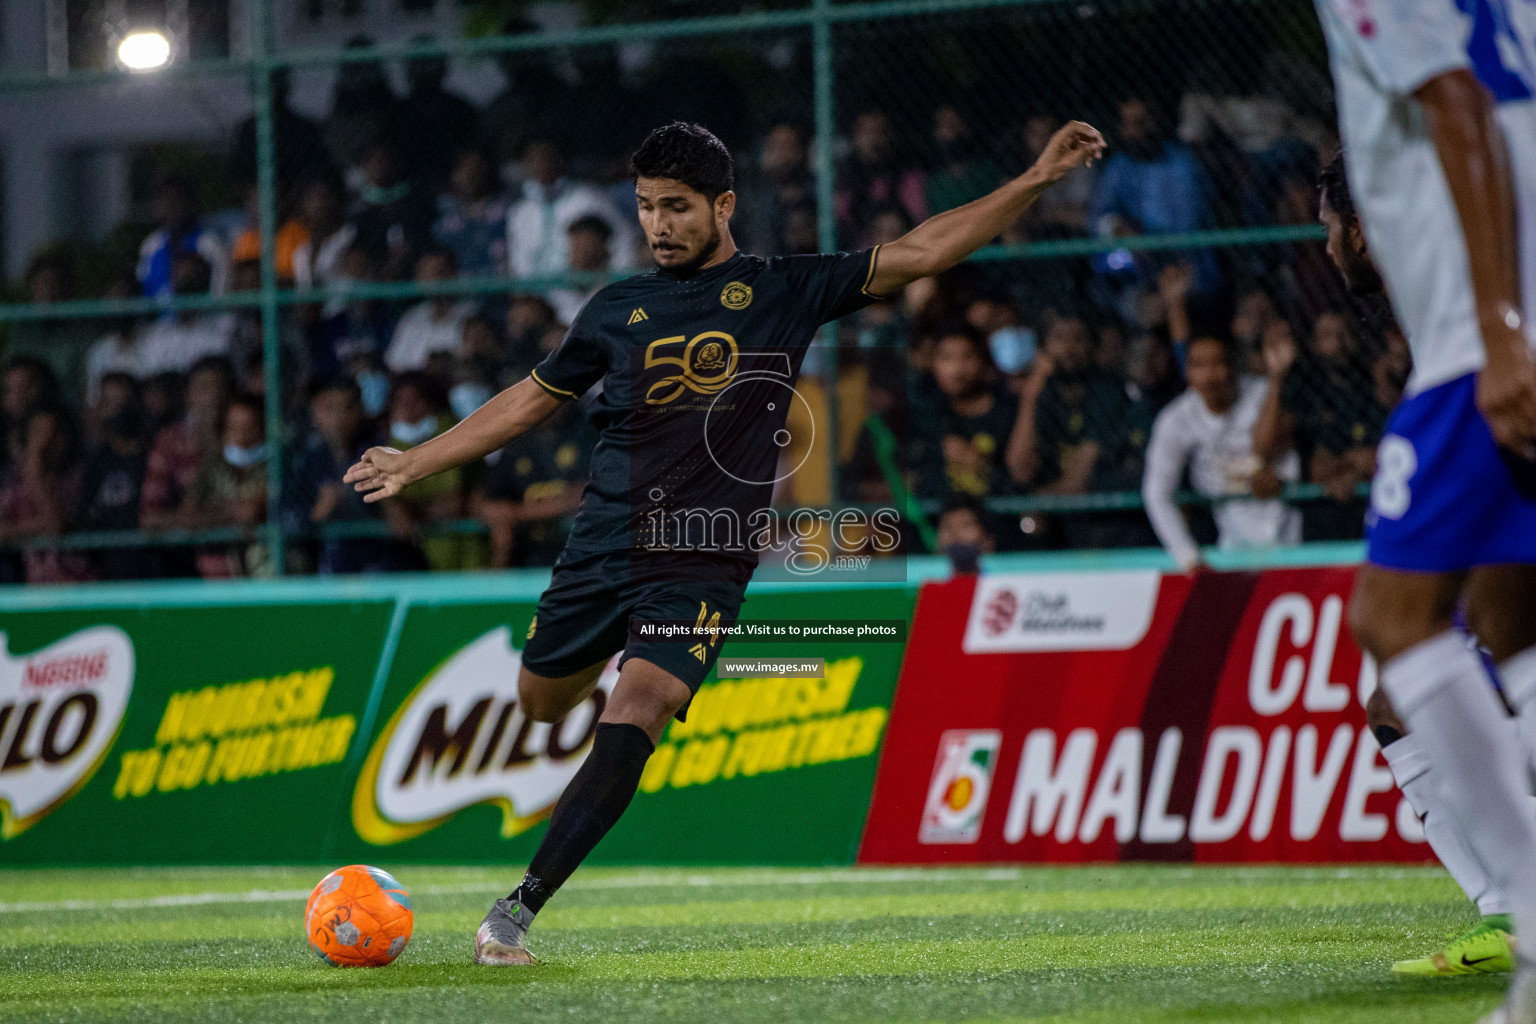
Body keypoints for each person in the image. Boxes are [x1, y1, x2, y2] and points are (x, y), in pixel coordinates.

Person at [344, 117, 1105, 965]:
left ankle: (515, 910)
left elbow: (924, 250)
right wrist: (417, 462)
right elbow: (528, 401)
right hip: (601, 546)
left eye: (676, 206)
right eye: (645, 208)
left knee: (643, 704)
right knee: (539, 703)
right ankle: (596, 667)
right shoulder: (617, 308)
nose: (659, 224)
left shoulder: (784, 287)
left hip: (702, 556)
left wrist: (1035, 179)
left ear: (724, 204)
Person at [1314, 3, 1536, 1012]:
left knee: (1394, 630)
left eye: (1327, 224)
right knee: (1511, 624)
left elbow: (1456, 103)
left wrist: (1498, 326)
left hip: (1480, 349)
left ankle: (1523, 904)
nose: (1326, 246)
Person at [1141, 332, 1300, 571]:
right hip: (1233, 546)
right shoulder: (1176, 419)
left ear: (1234, 365)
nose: (1209, 376)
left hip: (1295, 535)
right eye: (1199, 365)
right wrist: (1188, 557)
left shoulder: (1265, 394)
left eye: (1218, 363)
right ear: (1187, 372)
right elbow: (1156, 492)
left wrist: (1276, 379)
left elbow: (1266, 449)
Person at [505, 139, 635, 280]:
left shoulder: (588, 198)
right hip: (539, 295)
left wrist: (613, 282)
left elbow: (625, 240)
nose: (541, 165)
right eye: (533, 160)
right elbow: (519, 264)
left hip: (587, 289)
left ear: (560, 160)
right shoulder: (520, 212)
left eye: (546, 158)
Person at [136, 253, 238, 376]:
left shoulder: (224, 327)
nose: (184, 285)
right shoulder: (158, 334)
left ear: (205, 283)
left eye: (191, 278)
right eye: (179, 280)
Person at [384, 248, 479, 372]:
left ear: (453, 273)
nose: (431, 281)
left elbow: (466, 363)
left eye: (437, 273)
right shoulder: (412, 316)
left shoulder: (470, 315)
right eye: (425, 274)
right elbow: (394, 363)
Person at [137, 175, 228, 301]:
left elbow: (220, 295)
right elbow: (145, 293)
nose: (171, 208)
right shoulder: (151, 245)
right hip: (162, 319)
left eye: (177, 200)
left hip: (203, 318)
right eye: (165, 201)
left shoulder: (210, 244)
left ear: (191, 203)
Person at [433, 148, 511, 278]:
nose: (470, 175)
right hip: (460, 291)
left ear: (486, 171)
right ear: (454, 175)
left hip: (500, 287)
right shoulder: (445, 222)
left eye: (476, 168)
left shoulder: (507, 211)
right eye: (464, 169)